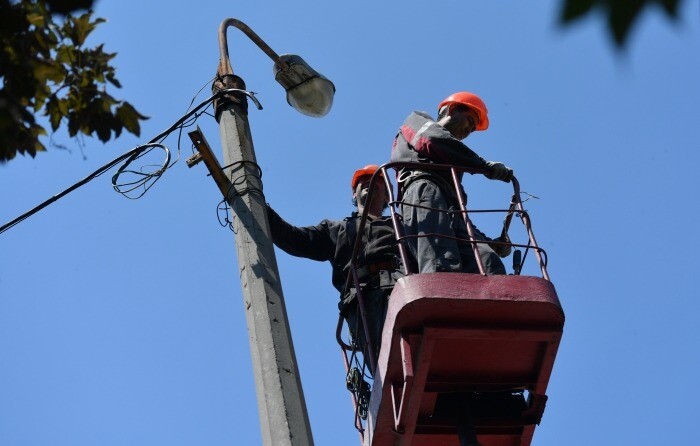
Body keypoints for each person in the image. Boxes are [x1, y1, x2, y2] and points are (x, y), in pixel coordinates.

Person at [266, 165, 402, 364]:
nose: (367, 182)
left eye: (376, 179)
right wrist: (261, 207)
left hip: (400, 288)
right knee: (386, 360)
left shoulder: (401, 226)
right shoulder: (336, 230)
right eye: (360, 181)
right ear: (354, 195)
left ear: (387, 195)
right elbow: (293, 239)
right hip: (364, 302)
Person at [390, 91, 513, 275]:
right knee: (440, 263)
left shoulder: (453, 161)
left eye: (472, 129)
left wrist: (489, 243)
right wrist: (483, 166)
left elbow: (459, 219)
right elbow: (432, 139)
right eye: (469, 122)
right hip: (424, 193)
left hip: (450, 205)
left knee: (487, 262)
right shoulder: (418, 120)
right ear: (452, 109)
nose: (468, 131)